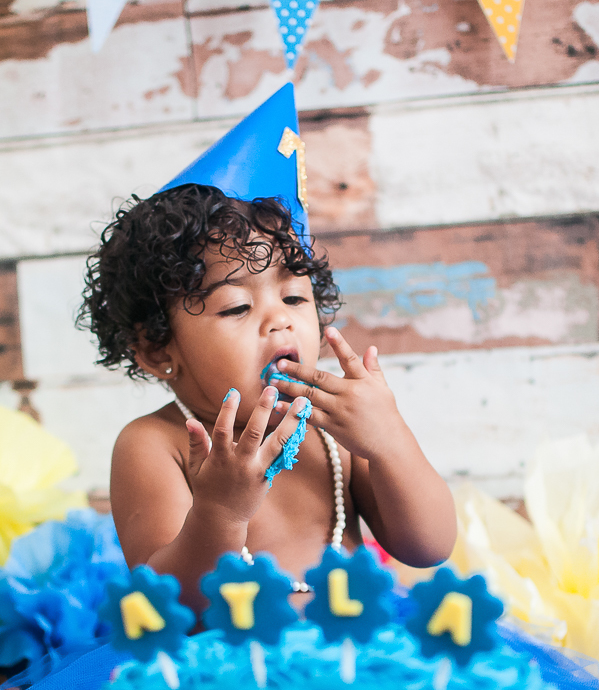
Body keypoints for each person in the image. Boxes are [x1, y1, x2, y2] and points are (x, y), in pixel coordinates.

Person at [78, 184, 457, 625]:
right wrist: (219, 511)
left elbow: (429, 546)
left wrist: (390, 442)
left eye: (295, 297)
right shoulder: (156, 445)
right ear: (160, 349)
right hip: (236, 674)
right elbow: (170, 607)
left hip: (359, 656)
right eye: (237, 306)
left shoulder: (334, 428)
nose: (280, 319)